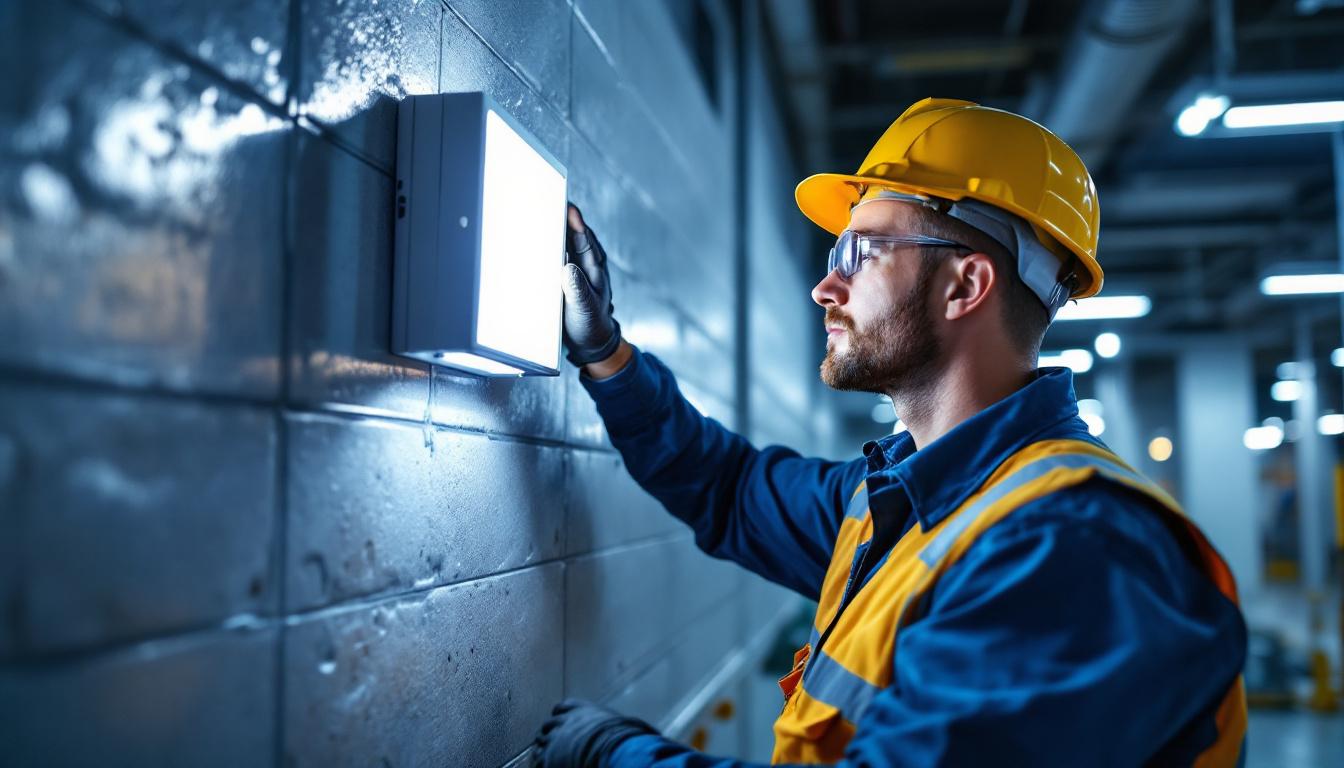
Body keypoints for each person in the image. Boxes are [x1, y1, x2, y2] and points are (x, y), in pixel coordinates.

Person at [531, 98, 1247, 767]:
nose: (825, 287)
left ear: (964, 287)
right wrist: (606, 355)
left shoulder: (1068, 545)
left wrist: (614, 754)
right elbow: (728, 487)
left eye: (862, 253)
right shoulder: (900, 501)